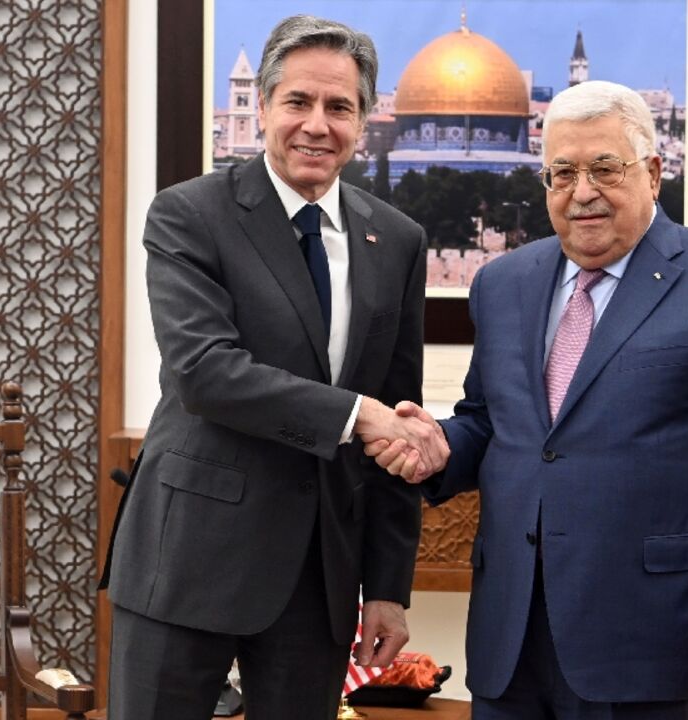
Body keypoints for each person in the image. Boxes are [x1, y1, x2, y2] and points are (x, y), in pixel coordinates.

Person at [368, 81, 688, 720]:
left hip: (653, 645)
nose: (583, 192)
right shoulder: (503, 283)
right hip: (511, 639)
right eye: (562, 173)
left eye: (605, 168)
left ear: (653, 173)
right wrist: (436, 449)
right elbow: (492, 422)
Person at [99, 15, 447, 720]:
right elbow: (204, 371)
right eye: (298, 102)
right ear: (261, 108)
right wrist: (358, 415)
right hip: (188, 559)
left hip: (318, 576)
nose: (316, 125)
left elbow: (398, 417)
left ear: (365, 119)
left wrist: (386, 586)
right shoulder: (189, 214)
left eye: (339, 107)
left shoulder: (398, 240)